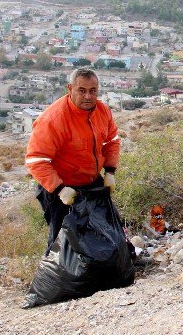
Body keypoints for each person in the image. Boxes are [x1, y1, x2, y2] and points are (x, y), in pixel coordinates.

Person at [25, 68, 120, 255]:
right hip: (61, 188)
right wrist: (59, 189)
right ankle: (61, 280)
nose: (88, 96)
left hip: (91, 182)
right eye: (81, 90)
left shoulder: (103, 111)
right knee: (62, 238)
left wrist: (109, 171)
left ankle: (123, 261)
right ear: (70, 88)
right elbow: (36, 159)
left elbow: (112, 141)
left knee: (109, 226)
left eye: (93, 90)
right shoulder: (54, 119)